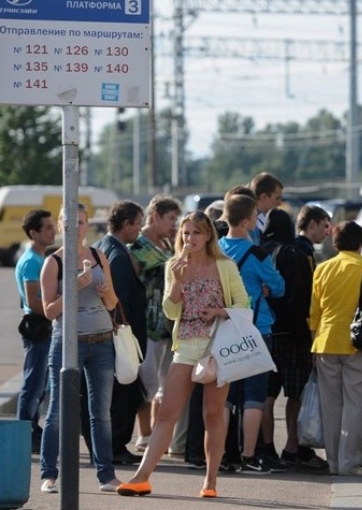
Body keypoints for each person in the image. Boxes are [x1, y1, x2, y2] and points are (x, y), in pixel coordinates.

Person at [117, 211, 250, 498]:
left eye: (197, 233)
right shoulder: (173, 265)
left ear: (208, 237)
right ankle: (141, 477)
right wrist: (177, 281)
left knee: (213, 415)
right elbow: (170, 310)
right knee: (167, 413)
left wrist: (218, 311)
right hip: (186, 345)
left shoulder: (225, 266)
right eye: (186, 233)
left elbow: (244, 304)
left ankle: (210, 482)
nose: (190, 238)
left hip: (218, 347)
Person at [38, 204, 121, 494]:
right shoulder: (54, 262)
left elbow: (112, 303)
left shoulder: (98, 256)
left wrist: (105, 292)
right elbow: (49, 311)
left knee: (101, 412)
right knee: (58, 412)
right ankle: (48, 475)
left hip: (102, 341)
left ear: (88, 226)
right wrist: (72, 288)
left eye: (82, 222)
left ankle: (106, 476)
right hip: (68, 342)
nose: (77, 228)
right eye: (70, 222)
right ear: (60, 225)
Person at [310, 221, 362, 476]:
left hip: (325, 341)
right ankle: (348, 463)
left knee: (331, 406)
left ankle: (333, 462)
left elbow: (314, 311)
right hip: (359, 345)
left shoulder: (322, 268)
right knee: (357, 405)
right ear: (359, 243)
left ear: (335, 244)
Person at [219, 194, 286, 474]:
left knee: (226, 395)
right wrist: (264, 288)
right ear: (247, 221)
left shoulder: (218, 248)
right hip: (256, 329)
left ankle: (220, 453)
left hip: (223, 328)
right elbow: (279, 287)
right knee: (254, 395)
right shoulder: (257, 254)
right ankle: (249, 456)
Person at [258, 208, 329, 471]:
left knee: (266, 394)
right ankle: (292, 446)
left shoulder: (259, 251)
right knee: (296, 394)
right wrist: (306, 336)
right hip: (292, 335)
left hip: (264, 332)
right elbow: (301, 298)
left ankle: (265, 447)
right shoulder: (295, 254)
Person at [92, 200, 146, 466]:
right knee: (125, 394)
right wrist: (123, 332)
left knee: (113, 395)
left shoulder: (102, 247)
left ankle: (110, 445)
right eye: (138, 223)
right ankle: (115, 446)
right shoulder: (118, 255)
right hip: (121, 335)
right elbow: (119, 300)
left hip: (108, 333)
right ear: (126, 224)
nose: (140, 228)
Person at [129, 195, 182, 454]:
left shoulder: (167, 243)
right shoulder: (137, 246)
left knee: (165, 380)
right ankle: (144, 433)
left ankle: (156, 432)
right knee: (146, 377)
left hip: (167, 321)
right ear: (156, 216)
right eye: (171, 218)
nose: (174, 223)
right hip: (147, 319)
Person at [15, 209, 56, 455]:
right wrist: (56, 311)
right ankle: (24, 431)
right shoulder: (32, 261)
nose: (53, 231)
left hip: (42, 323)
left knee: (40, 381)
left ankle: (32, 427)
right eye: (48, 227)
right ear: (34, 233)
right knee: (34, 380)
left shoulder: (39, 257)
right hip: (38, 324)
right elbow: (33, 300)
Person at [249, 173, 284, 244]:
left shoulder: (264, 219)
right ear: (263, 197)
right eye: (277, 198)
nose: (280, 203)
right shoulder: (250, 223)